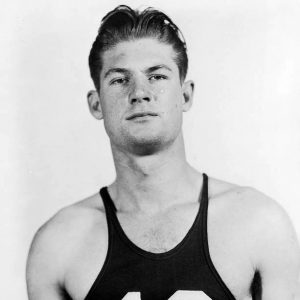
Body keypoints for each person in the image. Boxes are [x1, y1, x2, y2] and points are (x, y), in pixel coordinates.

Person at [26, 5, 300, 300]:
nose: (139, 92)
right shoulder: (58, 245)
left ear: (185, 95)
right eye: (120, 79)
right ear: (96, 104)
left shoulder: (259, 223)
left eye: (156, 76)